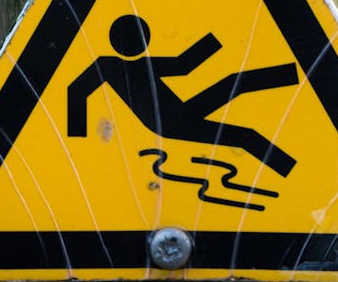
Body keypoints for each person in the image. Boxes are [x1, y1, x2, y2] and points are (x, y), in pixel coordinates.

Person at [67, 15, 298, 177]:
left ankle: (299, 73)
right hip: (170, 123)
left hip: (182, 111)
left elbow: (183, 65)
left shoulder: (142, 64)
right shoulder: (107, 65)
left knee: (236, 83)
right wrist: (77, 137)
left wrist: (218, 36)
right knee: (245, 134)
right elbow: (76, 90)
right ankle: (295, 175)